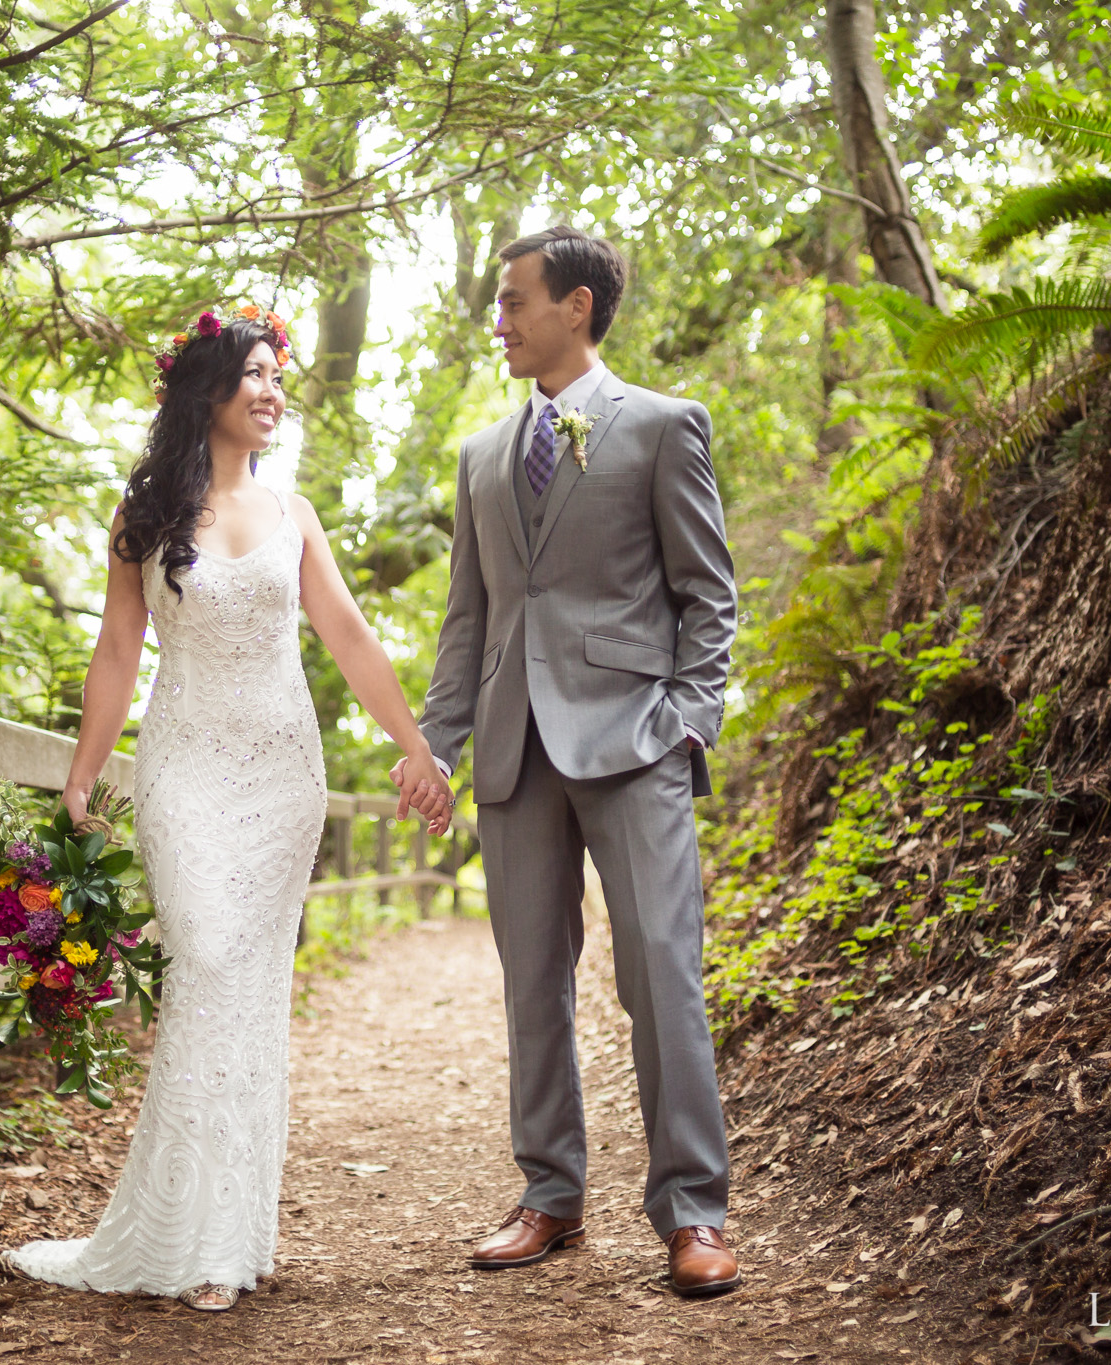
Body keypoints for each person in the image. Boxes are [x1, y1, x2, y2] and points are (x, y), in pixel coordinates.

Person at [0, 303, 453, 1312]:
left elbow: (348, 636)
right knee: (201, 959)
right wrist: (84, 770)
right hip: (183, 770)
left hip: (280, 772)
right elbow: (117, 651)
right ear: (207, 390)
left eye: (274, 374)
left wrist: (413, 746)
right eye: (251, 373)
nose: (269, 390)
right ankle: (185, 1227)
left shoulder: (293, 515)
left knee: (246, 994)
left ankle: (228, 1236)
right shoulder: (147, 516)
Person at [393, 225, 742, 1297]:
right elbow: (470, 619)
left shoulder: (662, 428)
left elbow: (707, 596)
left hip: (632, 743)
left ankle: (691, 1212)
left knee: (660, 977)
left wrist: (686, 721)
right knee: (529, 986)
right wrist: (437, 745)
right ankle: (549, 1195)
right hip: (510, 753)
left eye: (512, 302)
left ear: (575, 306)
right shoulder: (478, 458)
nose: (496, 320)